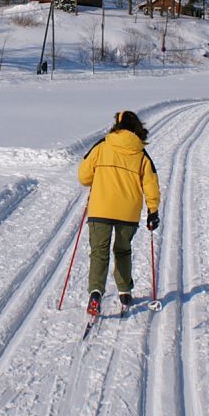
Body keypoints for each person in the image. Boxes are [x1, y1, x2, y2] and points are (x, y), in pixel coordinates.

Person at [77, 110, 161, 316]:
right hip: (128, 212)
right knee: (122, 251)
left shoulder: (102, 146)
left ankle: (96, 292)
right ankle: (124, 291)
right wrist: (153, 210)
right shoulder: (141, 153)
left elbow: (84, 176)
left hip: (100, 210)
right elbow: (151, 183)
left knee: (99, 252)